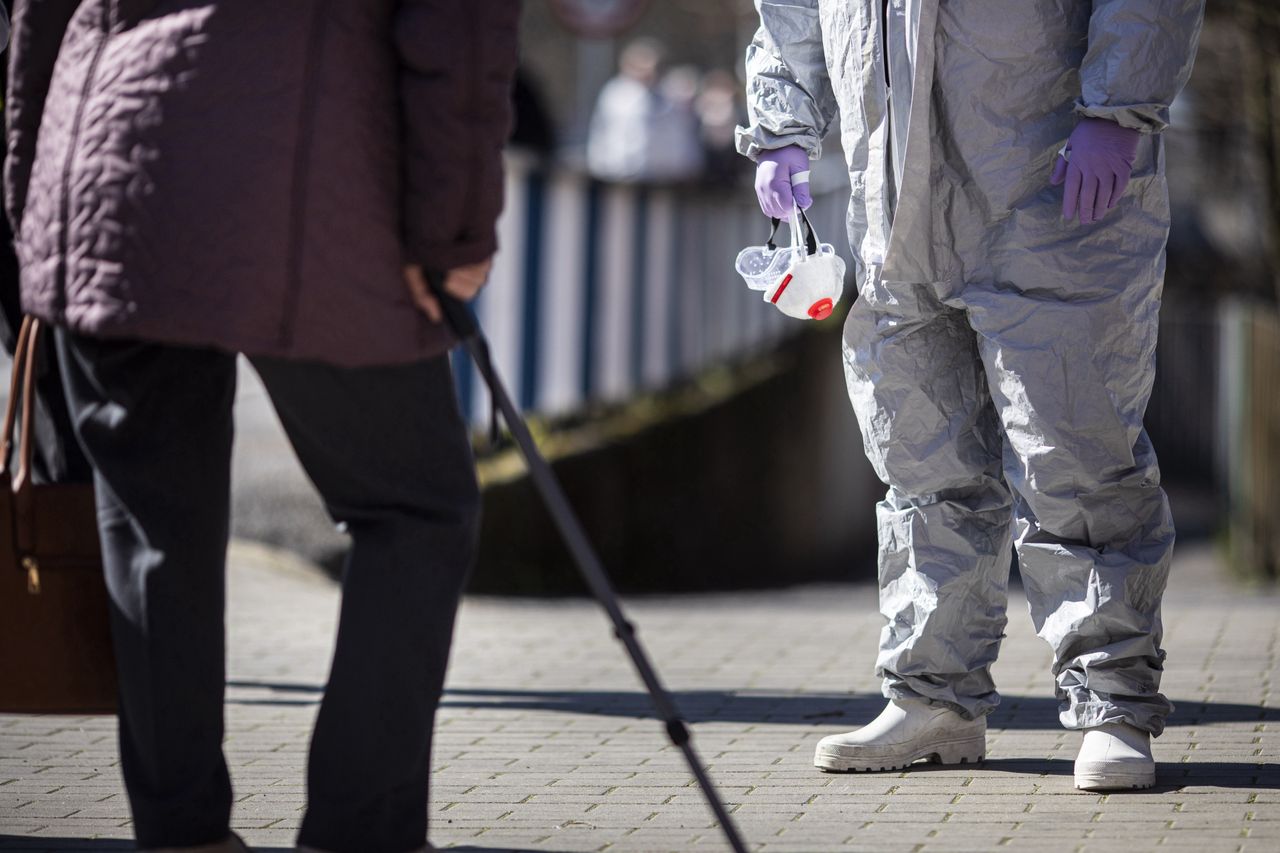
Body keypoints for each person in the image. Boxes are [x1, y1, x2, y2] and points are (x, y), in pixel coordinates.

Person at [5, 2, 519, 851]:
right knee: (417, 508)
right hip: (314, 177)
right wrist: (454, 225)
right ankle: (360, 830)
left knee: (148, 519)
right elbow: (458, 28)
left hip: (105, 166)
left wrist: (32, 205)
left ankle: (182, 833)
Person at [737, 0, 1204, 791]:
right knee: (921, 459)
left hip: (1049, 191)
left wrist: (1118, 107)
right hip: (893, 212)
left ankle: (1114, 705)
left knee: (1076, 454)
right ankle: (933, 698)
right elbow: (794, 12)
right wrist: (782, 125)